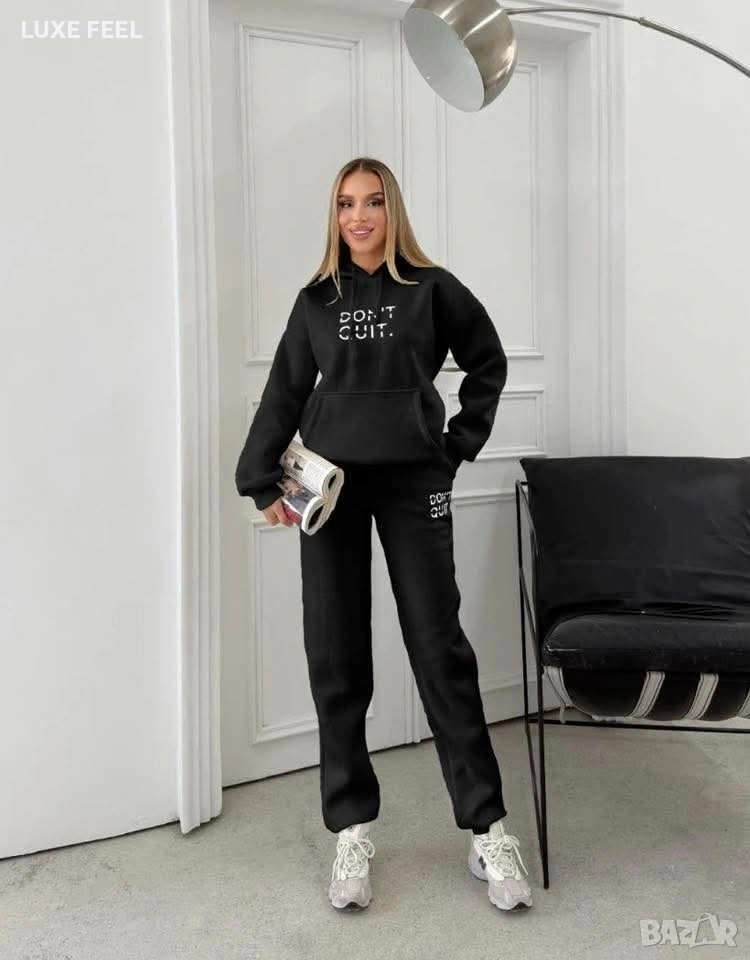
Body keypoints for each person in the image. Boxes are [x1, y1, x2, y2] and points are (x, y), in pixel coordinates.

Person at [235, 157, 533, 913]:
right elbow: (284, 390)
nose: (359, 217)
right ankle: (351, 829)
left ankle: (488, 829)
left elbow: (488, 361)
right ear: (334, 217)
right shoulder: (316, 300)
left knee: (440, 648)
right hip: (329, 489)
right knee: (335, 655)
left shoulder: (431, 289)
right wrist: (260, 480)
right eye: (345, 204)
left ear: (391, 210)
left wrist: (455, 446)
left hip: (412, 484)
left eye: (371, 202)